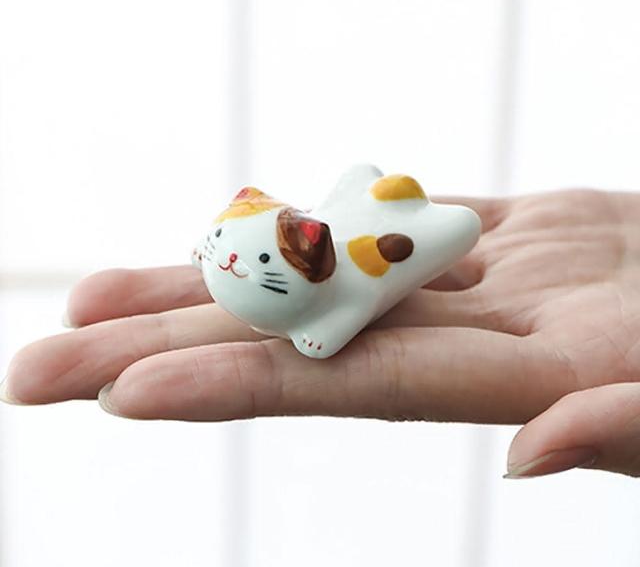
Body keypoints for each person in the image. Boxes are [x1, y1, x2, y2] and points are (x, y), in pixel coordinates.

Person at [2, 188, 640, 479]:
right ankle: (364, 189)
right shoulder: (240, 255)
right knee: (356, 189)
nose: (230, 261)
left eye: (259, 260)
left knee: (452, 227)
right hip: (344, 213)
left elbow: (332, 329)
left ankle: (407, 209)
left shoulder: (344, 290)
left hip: (387, 243)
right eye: (221, 241)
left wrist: (317, 333)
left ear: (310, 259)